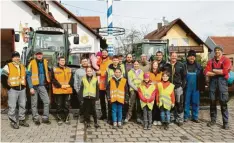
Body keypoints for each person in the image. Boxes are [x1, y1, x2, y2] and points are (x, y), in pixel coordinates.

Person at [204, 46, 232, 130]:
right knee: (212, 102)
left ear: (222, 52)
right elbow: (206, 72)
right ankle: (213, 120)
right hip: (213, 84)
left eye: (219, 50)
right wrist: (219, 72)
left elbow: (226, 71)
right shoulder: (210, 61)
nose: (217, 52)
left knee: (223, 103)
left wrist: (213, 70)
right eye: (215, 50)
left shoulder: (226, 60)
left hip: (222, 84)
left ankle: (225, 123)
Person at [1, 51, 29, 129]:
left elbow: (27, 75)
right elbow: (3, 77)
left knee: (23, 105)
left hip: (22, 89)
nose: (17, 58)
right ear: (12, 58)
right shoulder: (8, 66)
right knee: (12, 106)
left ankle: (21, 120)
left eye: (18, 57)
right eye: (15, 57)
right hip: (13, 89)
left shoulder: (23, 66)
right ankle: (13, 121)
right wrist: (8, 87)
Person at [27, 50, 51, 125]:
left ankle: (45, 117)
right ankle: (36, 118)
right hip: (34, 86)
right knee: (34, 103)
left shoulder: (45, 62)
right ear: (35, 55)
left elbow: (47, 72)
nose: (39, 55)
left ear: (42, 55)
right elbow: (28, 76)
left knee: (47, 101)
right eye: (38, 54)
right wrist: (30, 87)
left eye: (40, 54)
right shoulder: (31, 63)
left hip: (42, 86)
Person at [164, 52, 186, 126]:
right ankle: (172, 118)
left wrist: (182, 86)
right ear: (170, 57)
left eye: (175, 56)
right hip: (169, 88)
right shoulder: (166, 65)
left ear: (177, 57)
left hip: (178, 87)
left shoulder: (181, 65)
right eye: (172, 56)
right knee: (170, 103)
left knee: (179, 103)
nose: (173, 57)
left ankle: (180, 119)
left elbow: (184, 77)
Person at [51, 56, 73, 125]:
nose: (63, 61)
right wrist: (60, 86)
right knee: (59, 105)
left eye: (64, 60)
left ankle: (66, 118)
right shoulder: (54, 69)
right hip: (58, 90)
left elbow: (72, 79)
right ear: (58, 61)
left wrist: (69, 84)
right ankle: (59, 118)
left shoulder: (69, 69)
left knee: (67, 105)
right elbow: (53, 79)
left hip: (67, 90)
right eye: (61, 60)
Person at [184, 50, 205, 123]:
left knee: (195, 102)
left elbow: (202, 77)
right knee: (186, 102)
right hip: (187, 88)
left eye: (193, 56)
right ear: (187, 57)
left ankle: (195, 117)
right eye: (190, 56)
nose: (192, 58)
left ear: (195, 58)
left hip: (196, 88)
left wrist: (202, 88)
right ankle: (186, 116)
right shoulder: (184, 65)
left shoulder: (199, 66)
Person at [97, 49, 112, 120]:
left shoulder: (110, 62)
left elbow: (108, 72)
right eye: (103, 53)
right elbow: (96, 69)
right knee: (102, 101)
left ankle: (109, 116)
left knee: (109, 101)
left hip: (108, 84)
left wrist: (101, 72)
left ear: (107, 53)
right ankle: (104, 115)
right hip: (100, 85)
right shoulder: (99, 61)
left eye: (105, 53)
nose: (104, 54)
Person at [74, 57, 89, 122]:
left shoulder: (92, 70)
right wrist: (77, 90)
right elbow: (76, 82)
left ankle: (88, 116)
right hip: (81, 90)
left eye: (86, 61)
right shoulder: (78, 71)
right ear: (81, 63)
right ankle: (82, 116)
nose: (84, 62)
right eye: (83, 61)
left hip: (90, 91)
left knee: (89, 104)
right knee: (82, 104)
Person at [149, 61, 162, 126]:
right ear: (152, 65)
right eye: (154, 64)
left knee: (158, 105)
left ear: (158, 65)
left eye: (156, 64)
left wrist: (155, 83)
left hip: (159, 91)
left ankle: (159, 119)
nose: (155, 65)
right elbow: (147, 82)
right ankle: (153, 119)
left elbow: (163, 82)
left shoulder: (161, 73)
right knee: (153, 106)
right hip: (151, 92)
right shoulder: (149, 73)